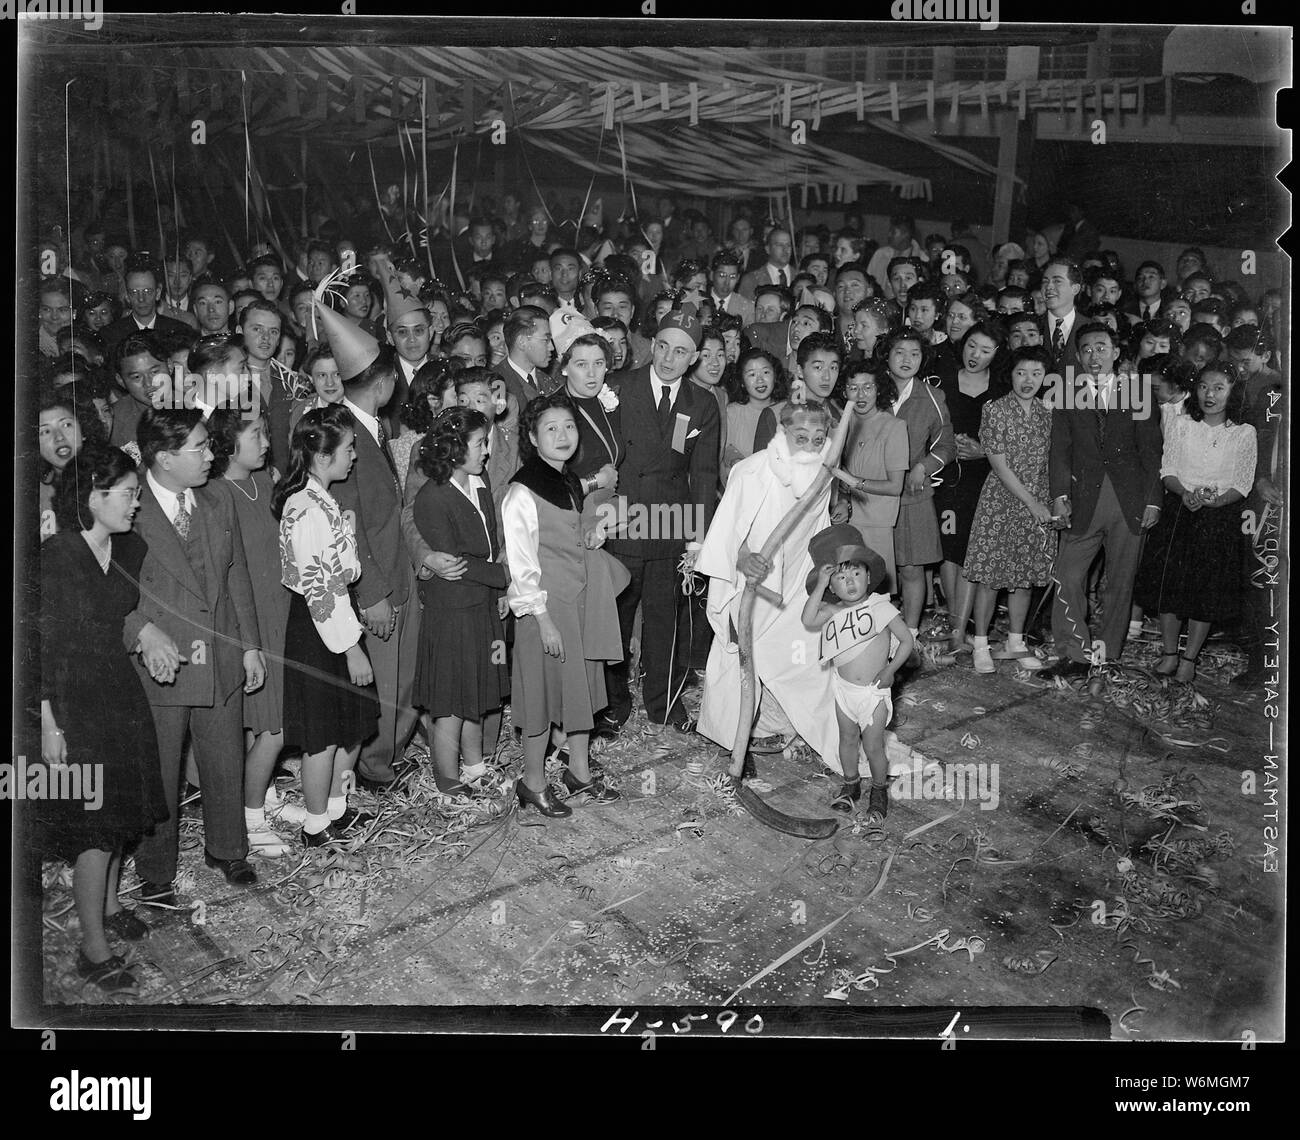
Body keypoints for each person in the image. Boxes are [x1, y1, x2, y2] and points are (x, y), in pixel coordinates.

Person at [35, 444, 169, 995]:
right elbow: (39, 647)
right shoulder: (57, 556)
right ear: (93, 494)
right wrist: (48, 723)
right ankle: (92, 949)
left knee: (119, 810)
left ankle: (111, 904)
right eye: (129, 494)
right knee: (95, 825)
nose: (136, 503)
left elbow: (126, 614)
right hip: (72, 701)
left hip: (118, 689)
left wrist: (145, 632)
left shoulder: (126, 547)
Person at [124, 407, 266, 905]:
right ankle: (157, 871)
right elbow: (106, 594)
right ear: (163, 458)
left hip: (221, 654)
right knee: (162, 771)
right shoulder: (127, 508)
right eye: (201, 448)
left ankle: (228, 850)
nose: (213, 454)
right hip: (161, 666)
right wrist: (140, 631)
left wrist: (249, 645)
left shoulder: (218, 497)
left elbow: (237, 575)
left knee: (224, 759)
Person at [697, 400, 845, 771]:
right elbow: (726, 530)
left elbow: (818, 527)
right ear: (783, 433)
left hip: (794, 584)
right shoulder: (752, 471)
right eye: (801, 437)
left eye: (818, 437)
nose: (810, 445)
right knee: (739, 658)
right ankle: (734, 743)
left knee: (798, 655)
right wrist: (745, 558)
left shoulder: (822, 474)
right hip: (750, 583)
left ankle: (781, 726)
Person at [503, 392, 628, 814]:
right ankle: (532, 782)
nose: (562, 435)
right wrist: (543, 620)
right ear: (533, 439)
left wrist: (594, 532)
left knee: (581, 691)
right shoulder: (521, 492)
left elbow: (577, 528)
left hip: (579, 604)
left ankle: (579, 772)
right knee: (540, 697)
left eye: (569, 426)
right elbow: (521, 565)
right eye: (550, 429)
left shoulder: (568, 480)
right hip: (546, 609)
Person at [316, 304, 421, 793]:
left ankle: (388, 757)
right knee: (387, 682)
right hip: (376, 582)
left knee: (402, 679)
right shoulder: (345, 435)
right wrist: (371, 592)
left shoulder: (372, 426)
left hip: (397, 573)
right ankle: (375, 767)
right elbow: (345, 526)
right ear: (385, 382)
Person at [600, 307, 720, 734]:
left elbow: (703, 475)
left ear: (695, 358)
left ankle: (664, 700)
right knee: (615, 613)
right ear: (652, 346)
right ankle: (612, 703)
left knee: (665, 616)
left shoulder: (701, 404)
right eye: (664, 347)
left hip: (670, 521)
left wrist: (697, 536)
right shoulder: (616, 389)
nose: (669, 359)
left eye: (681, 352)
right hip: (623, 518)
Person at [274, 406, 380, 845]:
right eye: (348, 449)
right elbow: (321, 588)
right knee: (322, 733)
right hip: (323, 626)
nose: (353, 456)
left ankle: (336, 809)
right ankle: (315, 824)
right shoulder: (305, 506)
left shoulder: (320, 497)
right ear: (323, 456)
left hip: (339, 618)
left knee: (347, 722)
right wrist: (351, 646)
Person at [1038, 323, 1163, 680]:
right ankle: (1075, 654)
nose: (1095, 355)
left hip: (1130, 500)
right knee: (1067, 575)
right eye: (1087, 349)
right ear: (1078, 356)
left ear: (1116, 352)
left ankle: (1107, 655)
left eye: (1102, 347)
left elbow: (1152, 452)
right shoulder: (1068, 392)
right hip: (1083, 498)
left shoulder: (1137, 391)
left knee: (1120, 582)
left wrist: (1153, 501)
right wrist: (1060, 495)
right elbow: (1059, 450)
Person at [206, 407, 299, 855]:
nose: (266, 442)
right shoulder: (216, 494)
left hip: (283, 615)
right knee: (272, 728)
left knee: (267, 721)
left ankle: (267, 798)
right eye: (257, 434)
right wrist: (248, 643)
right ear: (229, 443)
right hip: (254, 623)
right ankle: (252, 818)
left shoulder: (268, 481)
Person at [1133, 363, 1256, 685]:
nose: (1209, 394)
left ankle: (1190, 658)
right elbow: (1167, 469)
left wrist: (1215, 501)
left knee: (1205, 591)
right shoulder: (1181, 424)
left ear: (1233, 391)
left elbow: (1242, 483)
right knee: (1169, 587)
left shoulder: (1243, 432)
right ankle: (1170, 652)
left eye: (1218, 387)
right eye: (1203, 386)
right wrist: (1184, 493)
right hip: (1179, 512)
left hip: (1218, 518)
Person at [410, 407, 510, 795]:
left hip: (479, 606)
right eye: (480, 443)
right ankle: (446, 780)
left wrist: (497, 592)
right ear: (453, 449)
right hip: (451, 611)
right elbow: (457, 563)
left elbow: (487, 549)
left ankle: (475, 766)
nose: (486, 451)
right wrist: (506, 578)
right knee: (450, 702)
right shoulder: (432, 499)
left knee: (476, 691)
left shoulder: (478, 481)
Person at [800, 526, 912, 817]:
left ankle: (878, 788)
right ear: (831, 587)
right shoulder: (833, 611)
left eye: (856, 574)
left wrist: (890, 670)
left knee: (874, 747)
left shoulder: (880, 607)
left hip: (873, 693)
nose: (850, 582)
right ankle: (850, 784)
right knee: (846, 739)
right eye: (840, 577)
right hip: (844, 691)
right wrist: (820, 582)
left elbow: (907, 641)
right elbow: (808, 618)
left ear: (870, 576)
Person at [959, 346, 1056, 672]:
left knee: (1024, 578)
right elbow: (999, 466)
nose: (1028, 380)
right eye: (1021, 372)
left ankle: (1016, 640)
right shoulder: (996, 409)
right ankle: (982, 644)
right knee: (991, 577)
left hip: (1037, 502)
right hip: (1002, 502)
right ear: (1010, 374)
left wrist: (1045, 502)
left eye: (1036, 373)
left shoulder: (1047, 413)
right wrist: (1032, 503)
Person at [934, 322, 1006, 660]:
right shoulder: (942, 382)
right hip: (949, 477)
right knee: (949, 549)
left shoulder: (1002, 388)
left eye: (985, 350)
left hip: (986, 480)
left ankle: (961, 630)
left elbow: (1010, 439)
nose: (975, 354)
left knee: (970, 552)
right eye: (971, 346)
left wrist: (983, 451)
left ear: (996, 354)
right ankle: (955, 628)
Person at [837, 360, 908, 596]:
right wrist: (843, 499)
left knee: (876, 596)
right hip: (847, 523)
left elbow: (895, 486)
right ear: (844, 391)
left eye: (868, 387)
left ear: (879, 389)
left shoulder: (894, 427)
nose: (860, 394)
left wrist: (855, 482)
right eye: (853, 388)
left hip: (877, 524)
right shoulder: (843, 423)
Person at [723, 346, 785, 480]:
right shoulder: (732, 412)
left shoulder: (787, 410)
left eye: (766, 372)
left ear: (775, 375)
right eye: (752, 374)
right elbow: (725, 449)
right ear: (742, 383)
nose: (760, 380)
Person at [738, 226, 795, 301]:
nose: (785, 249)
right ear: (768, 249)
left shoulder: (799, 277)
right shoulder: (751, 279)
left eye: (788, 245)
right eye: (779, 245)